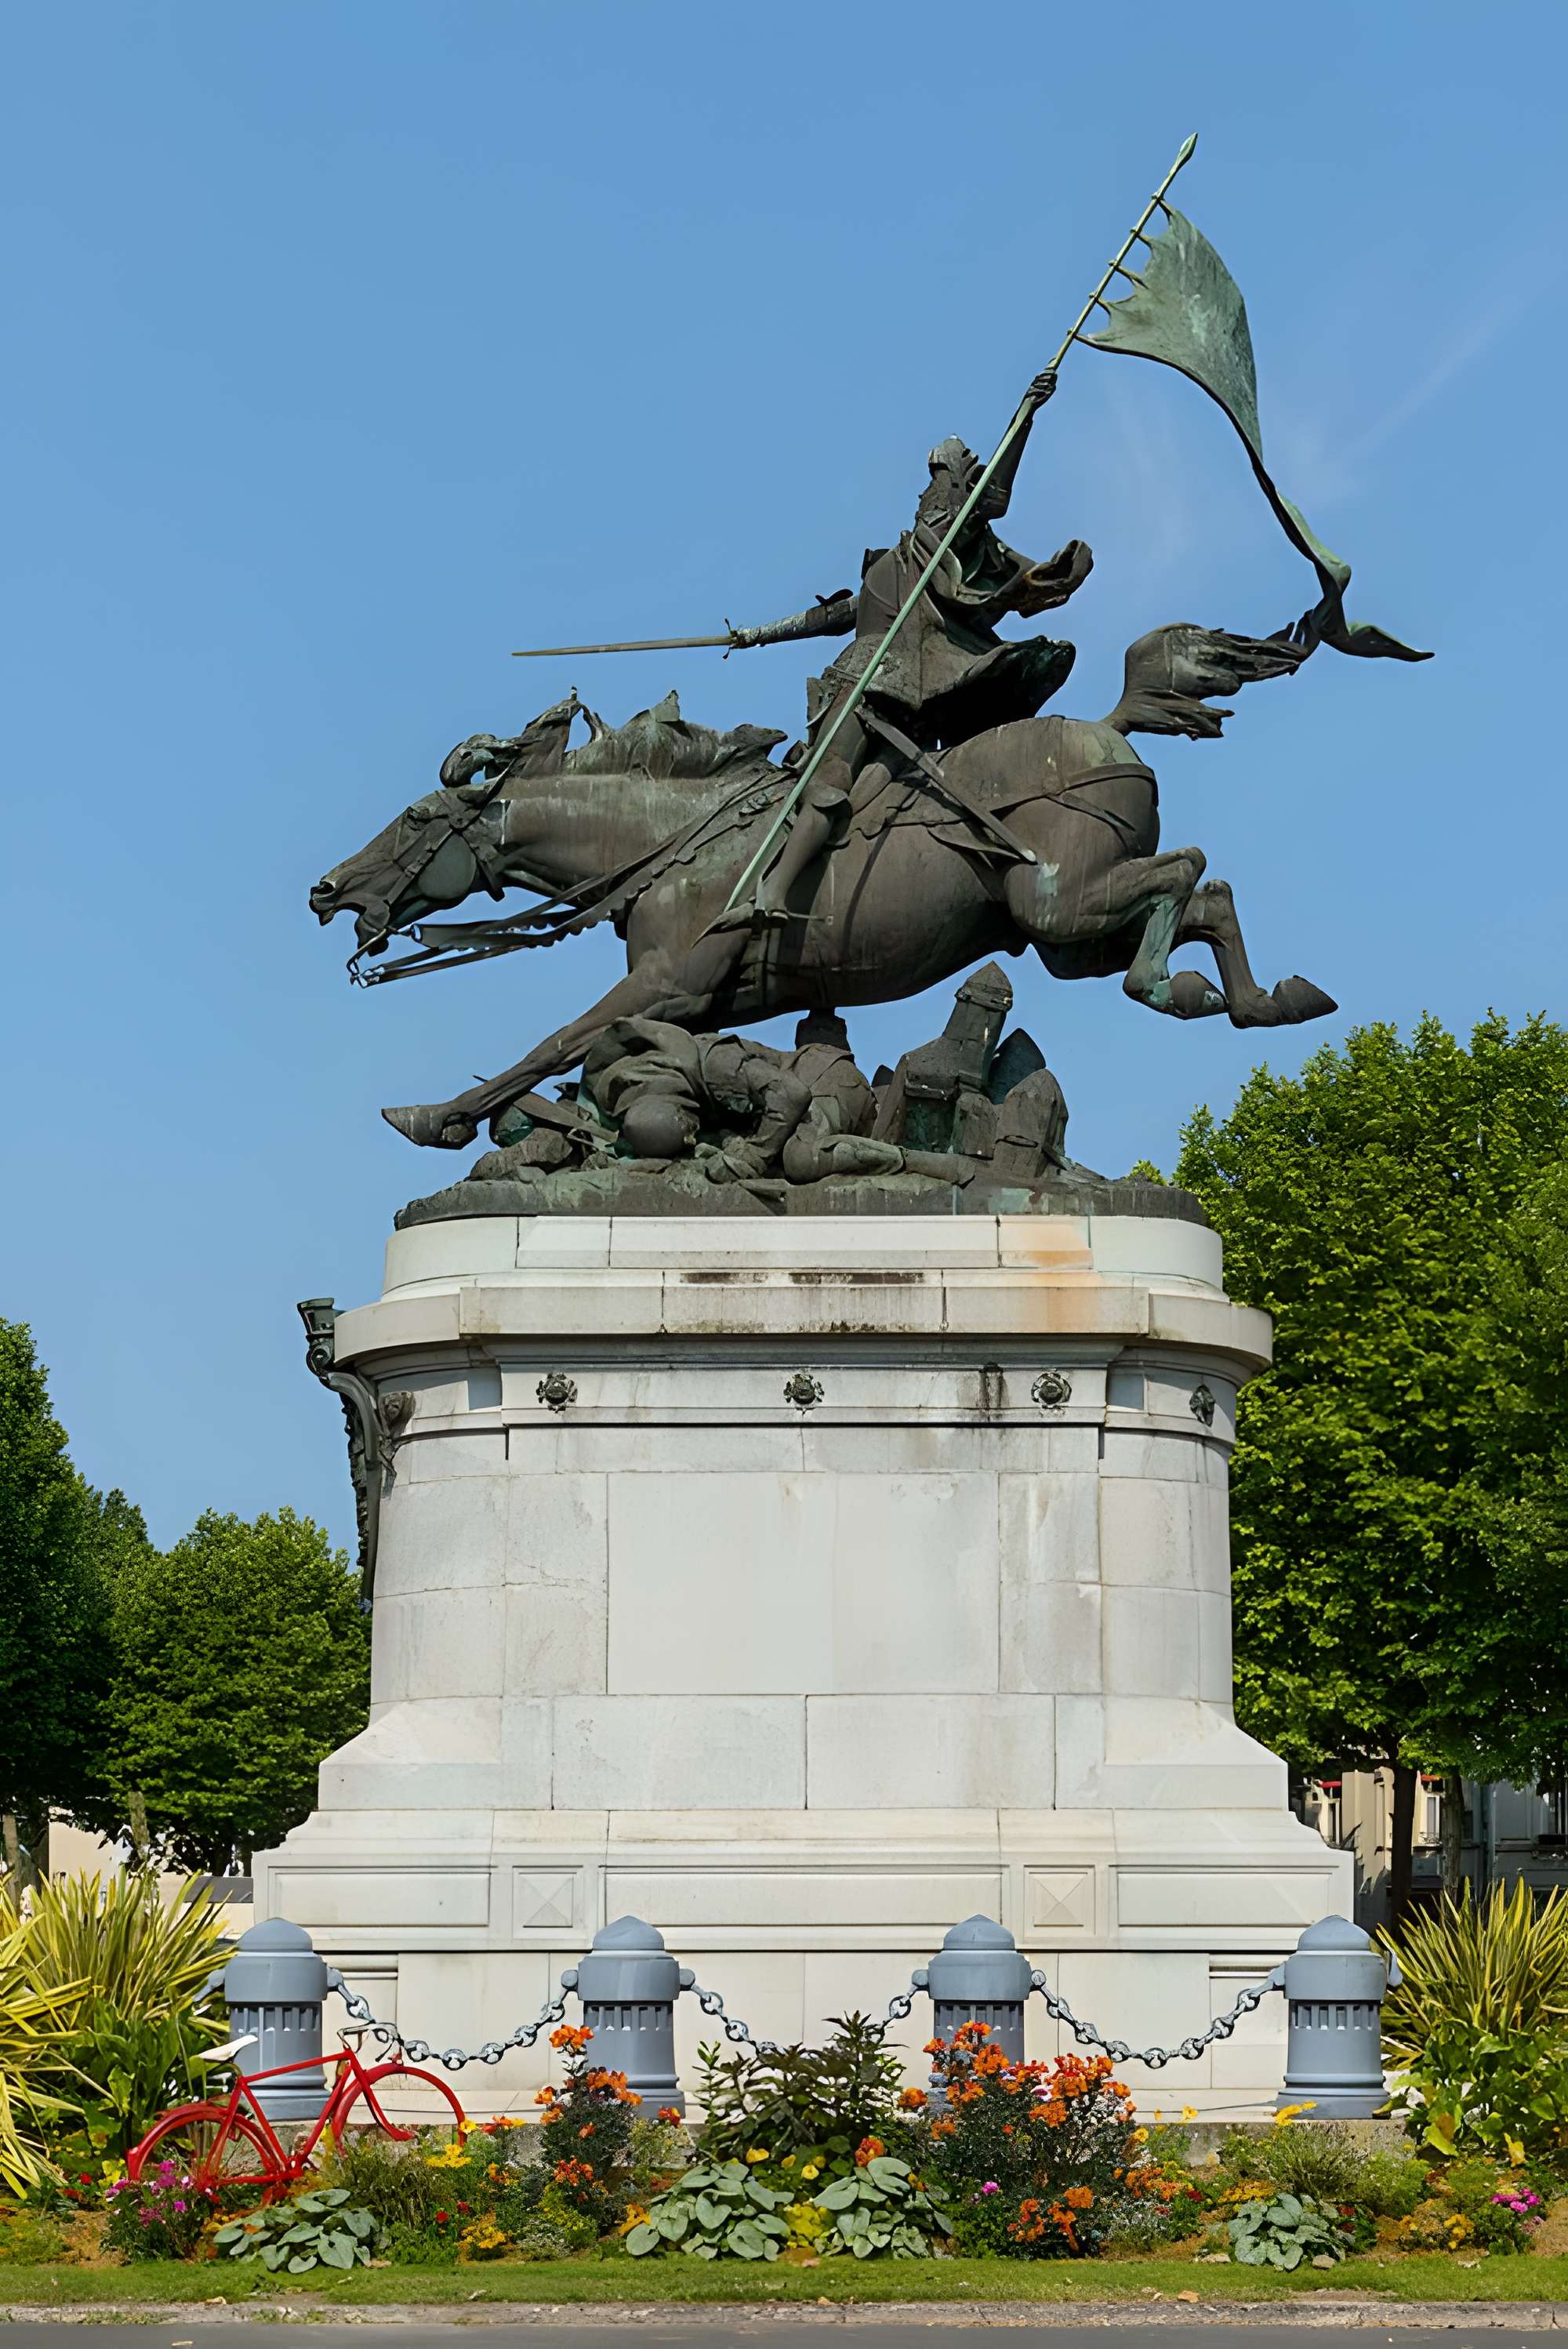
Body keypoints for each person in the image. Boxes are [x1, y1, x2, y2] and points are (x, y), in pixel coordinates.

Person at [719, 368, 1092, 924]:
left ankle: (774, 892)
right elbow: (833, 616)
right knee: (832, 783)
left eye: (940, 483)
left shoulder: (935, 553)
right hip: (870, 687)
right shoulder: (895, 563)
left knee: (824, 781)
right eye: (929, 485)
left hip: (875, 687)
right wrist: (756, 635)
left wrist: (1024, 420)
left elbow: (991, 499)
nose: (926, 492)